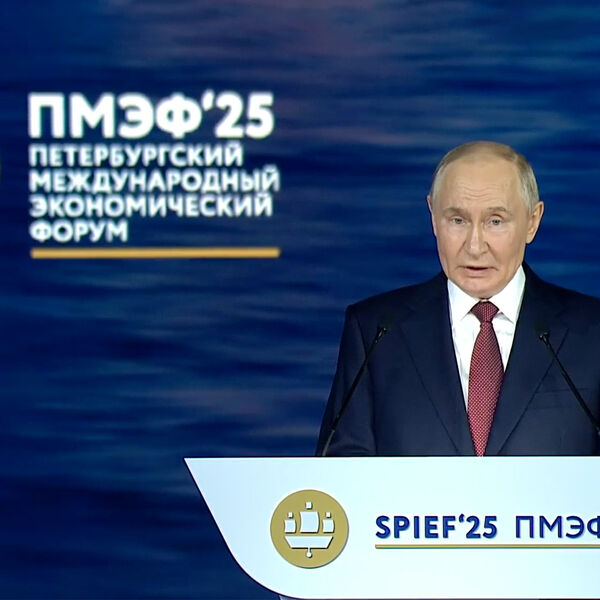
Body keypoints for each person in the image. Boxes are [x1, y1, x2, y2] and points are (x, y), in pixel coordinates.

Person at [316, 141, 600, 456]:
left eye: (495, 221)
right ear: (433, 217)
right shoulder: (376, 332)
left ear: (532, 221)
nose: (475, 246)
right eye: (457, 220)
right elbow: (340, 468)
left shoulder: (592, 332)